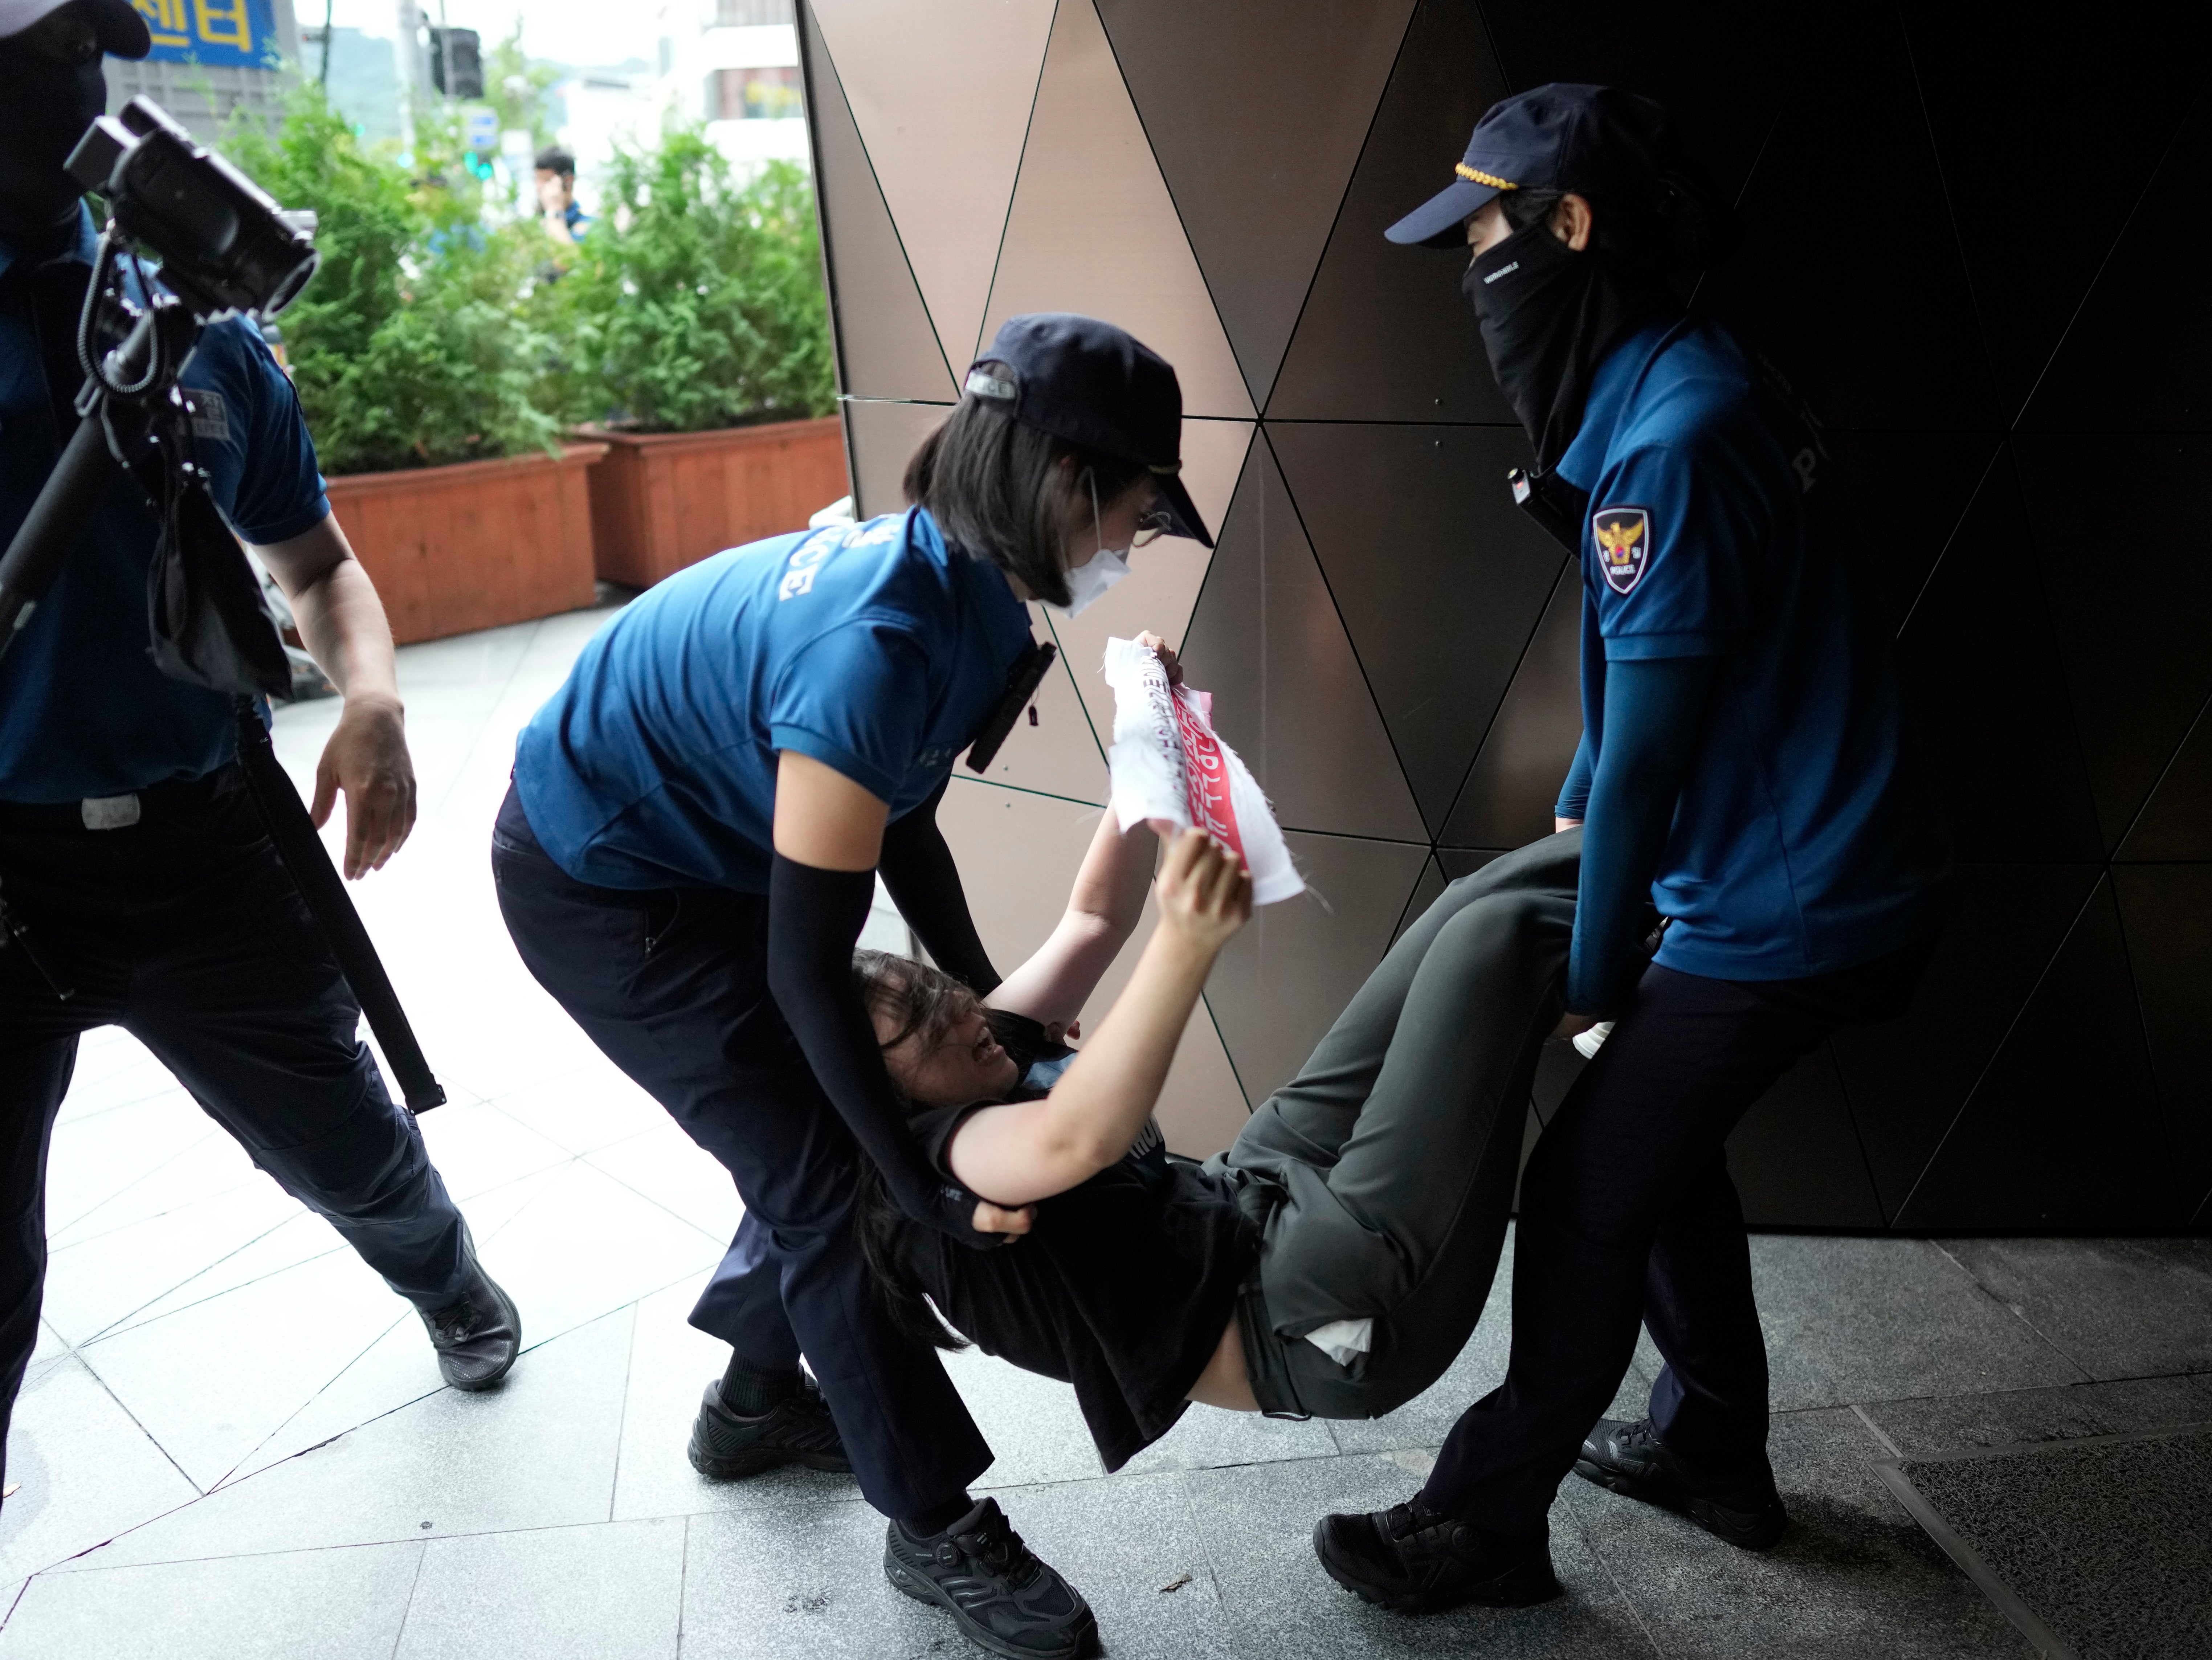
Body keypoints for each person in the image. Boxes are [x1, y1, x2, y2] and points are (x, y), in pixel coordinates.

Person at [1285, 82, 1958, 1611]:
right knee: (1650, 1145)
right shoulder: (1686, 379)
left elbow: (1655, 738)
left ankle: (1482, 1517)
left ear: (1568, 224)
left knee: (1587, 1183)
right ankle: (1711, 1443)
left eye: (1483, 238)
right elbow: (1644, 679)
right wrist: (1586, 796)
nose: (1469, 273)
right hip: (1812, 867)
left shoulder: (1670, 439)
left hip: (1792, 901)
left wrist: (1589, 980)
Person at [492, 313, 1213, 1660]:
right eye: (1138, 506)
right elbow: (803, 965)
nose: (1136, 538)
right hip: (603, 885)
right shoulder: (875, 640)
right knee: (833, 1180)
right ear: (1065, 479)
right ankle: (932, 1520)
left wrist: (988, 991)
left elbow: (902, 819)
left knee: (819, 1135)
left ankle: (762, 1398)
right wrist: (922, 1182)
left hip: (705, 849)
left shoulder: (978, 597)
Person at [0, 0, 523, 1505]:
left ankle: (446, 1281)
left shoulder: (189, 335)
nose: (80, 89)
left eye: (84, 56)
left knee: (350, 1157)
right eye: (36, 59)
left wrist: (373, 698)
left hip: (202, 842)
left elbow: (318, 565)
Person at [852, 771, 1592, 1555]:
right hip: (1306, 1316)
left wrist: (1143, 768)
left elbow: (1093, 918)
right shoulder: (933, 1164)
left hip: (1243, 1196)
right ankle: (1702, 924)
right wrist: (1190, 933)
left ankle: (1707, 833)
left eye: (944, 992)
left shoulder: (982, 1049)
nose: (966, 1013)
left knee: (1464, 907)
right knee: (1494, 940)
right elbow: (1080, 1136)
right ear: (876, 1097)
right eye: (932, 1029)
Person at [533, 147, 590, 245]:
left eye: (546, 181)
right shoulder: (536, 226)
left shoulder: (591, 226)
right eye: (537, 180)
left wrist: (554, 212)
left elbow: (568, 258)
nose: (539, 188)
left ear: (568, 181)